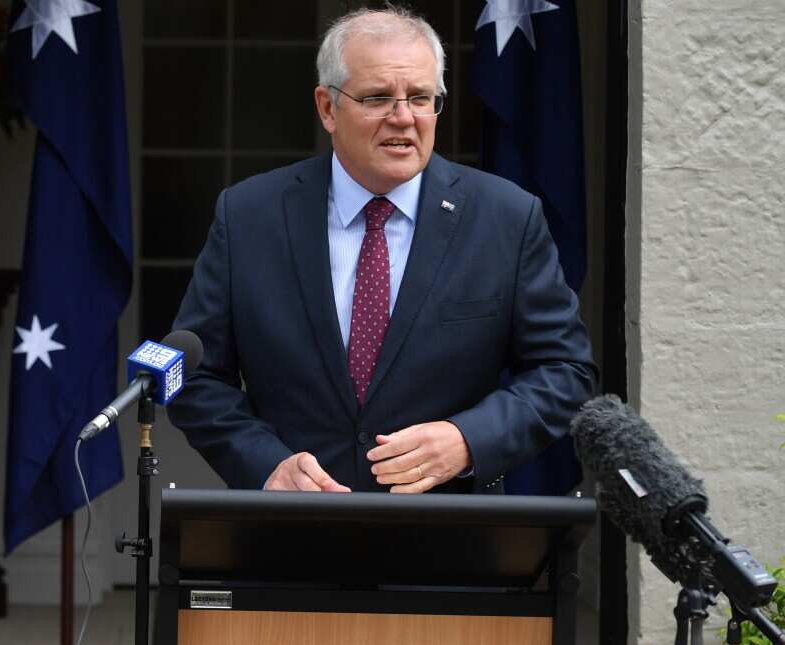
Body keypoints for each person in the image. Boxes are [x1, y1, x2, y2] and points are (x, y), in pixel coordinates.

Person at [168, 8, 596, 494]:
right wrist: (266, 465)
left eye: (420, 98)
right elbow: (193, 376)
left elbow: (565, 372)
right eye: (377, 98)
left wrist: (468, 440)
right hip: (290, 529)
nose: (403, 118)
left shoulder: (507, 218)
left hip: (449, 529)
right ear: (328, 108)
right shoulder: (249, 216)